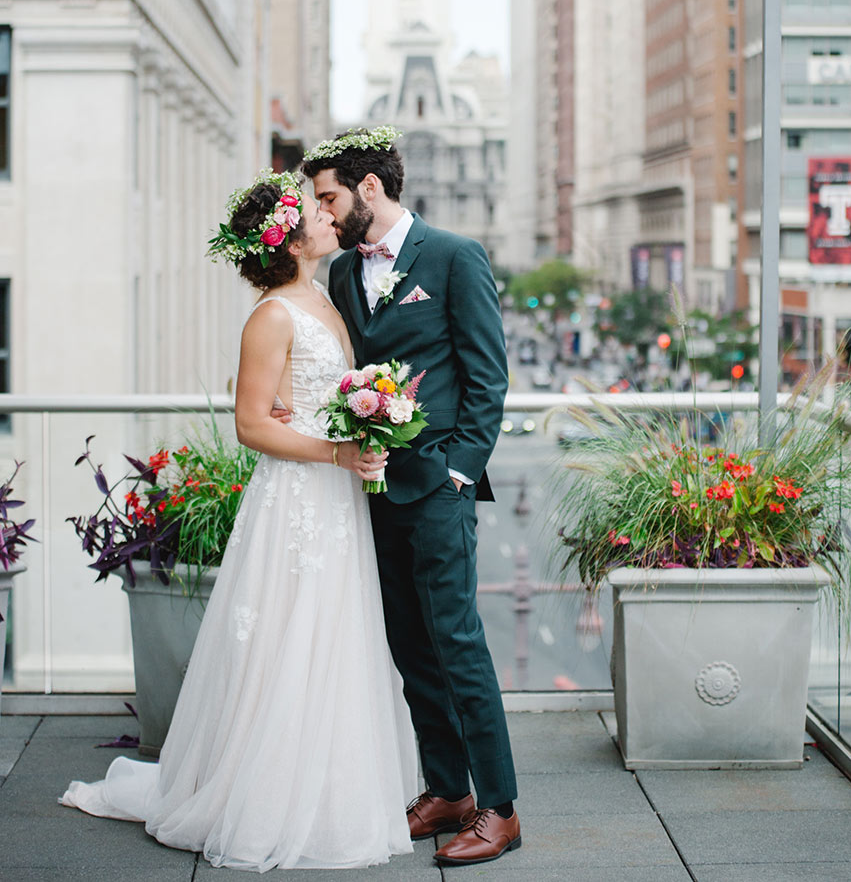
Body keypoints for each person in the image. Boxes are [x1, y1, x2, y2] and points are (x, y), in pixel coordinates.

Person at [61, 170, 417, 872]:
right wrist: (338, 451)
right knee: (290, 636)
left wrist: (367, 427)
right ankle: (265, 795)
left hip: (334, 496)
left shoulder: (321, 296)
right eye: (312, 210)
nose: (325, 214)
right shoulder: (273, 314)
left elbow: (307, 395)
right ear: (286, 238)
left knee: (335, 635)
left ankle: (329, 786)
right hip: (296, 497)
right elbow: (252, 425)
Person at [299, 126, 521, 868]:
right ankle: (447, 789)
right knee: (409, 645)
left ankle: (499, 806)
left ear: (370, 187)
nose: (323, 215)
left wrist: (460, 471)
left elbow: (488, 377)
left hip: (440, 487)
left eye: (329, 198)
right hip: (373, 489)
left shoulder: (455, 258)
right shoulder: (340, 276)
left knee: (457, 643)